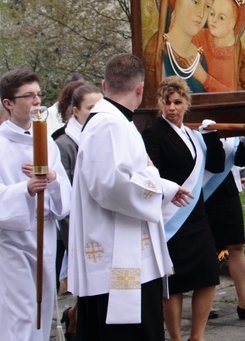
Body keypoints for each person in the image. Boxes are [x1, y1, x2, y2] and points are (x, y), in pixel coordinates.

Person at [68, 54, 192, 341]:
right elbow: (113, 185)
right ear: (140, 89)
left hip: (124, 250)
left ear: (104, 84)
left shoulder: (112, 121)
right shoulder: (109, 124)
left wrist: (161, 183)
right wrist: (159, 185)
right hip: (117, 258)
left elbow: (127, 175)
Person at [141, 76, 226, 341]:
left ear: (186, 103)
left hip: (197, 215)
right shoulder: (153, 134)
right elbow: (152, 171)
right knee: (174, 283)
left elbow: (217, 165)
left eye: (177, 102)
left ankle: (197, 336)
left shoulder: (193, 135)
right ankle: (176, 337)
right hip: (171, 217)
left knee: (208, 275)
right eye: (166, 102)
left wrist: (211, 137)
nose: (172, 108)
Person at [0, 69, 71, 341]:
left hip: (45, 236)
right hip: (12, 243)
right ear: (9, 103)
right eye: (28, 96)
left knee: (41, 312)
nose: (36, 101)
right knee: (20, 312)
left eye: (38, 94)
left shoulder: (46, 143)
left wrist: (52, 180)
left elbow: (65, 196)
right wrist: (25, 190)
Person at [54, 83, 103, 340]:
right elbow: (64, 192)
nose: (95, 114)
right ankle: (75, 321)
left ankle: (77, 317)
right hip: (76, 225)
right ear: (75, 111)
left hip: (99, 223)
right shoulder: (65, 145)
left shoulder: (100, 135)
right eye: (90, 109)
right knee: (85, 283)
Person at [204, 135, 245, 320]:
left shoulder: (231, 129)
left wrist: (243, 141)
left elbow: (239, 160)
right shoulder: (199, 125)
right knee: (208, 249)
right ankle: (206, 303)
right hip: (202, 190)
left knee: (236, 244)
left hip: (227, 190)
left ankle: (244, 301)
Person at [142, 0, 218, 103]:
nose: (201, 13)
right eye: (195, 1)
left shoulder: (201, 57)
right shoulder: (156, 52)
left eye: (208, 5)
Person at [191, 0, 245, 92]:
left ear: (232, 23)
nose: (213, 20)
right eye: (211, 14)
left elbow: (237, 97)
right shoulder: (199, 37)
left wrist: (204, 78)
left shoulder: (243, 60)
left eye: (221, 17)